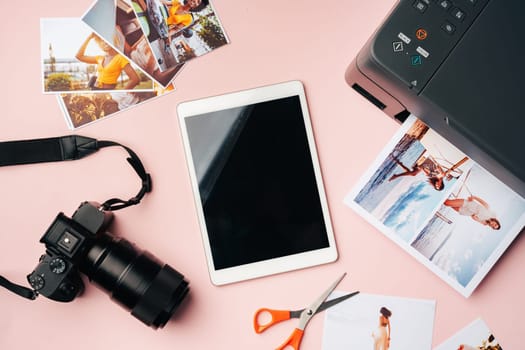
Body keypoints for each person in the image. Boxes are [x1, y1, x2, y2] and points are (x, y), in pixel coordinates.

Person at [76, 33, 140, 90]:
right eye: (102, 40)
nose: (105, 42)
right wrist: (89, 38)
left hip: (108, 91)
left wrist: (122, 93)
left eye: (106, 39)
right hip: (94, 88)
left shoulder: (121, 58)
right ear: (100, 44)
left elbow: (135, 79)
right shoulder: (100, 58)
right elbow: (79, 56)